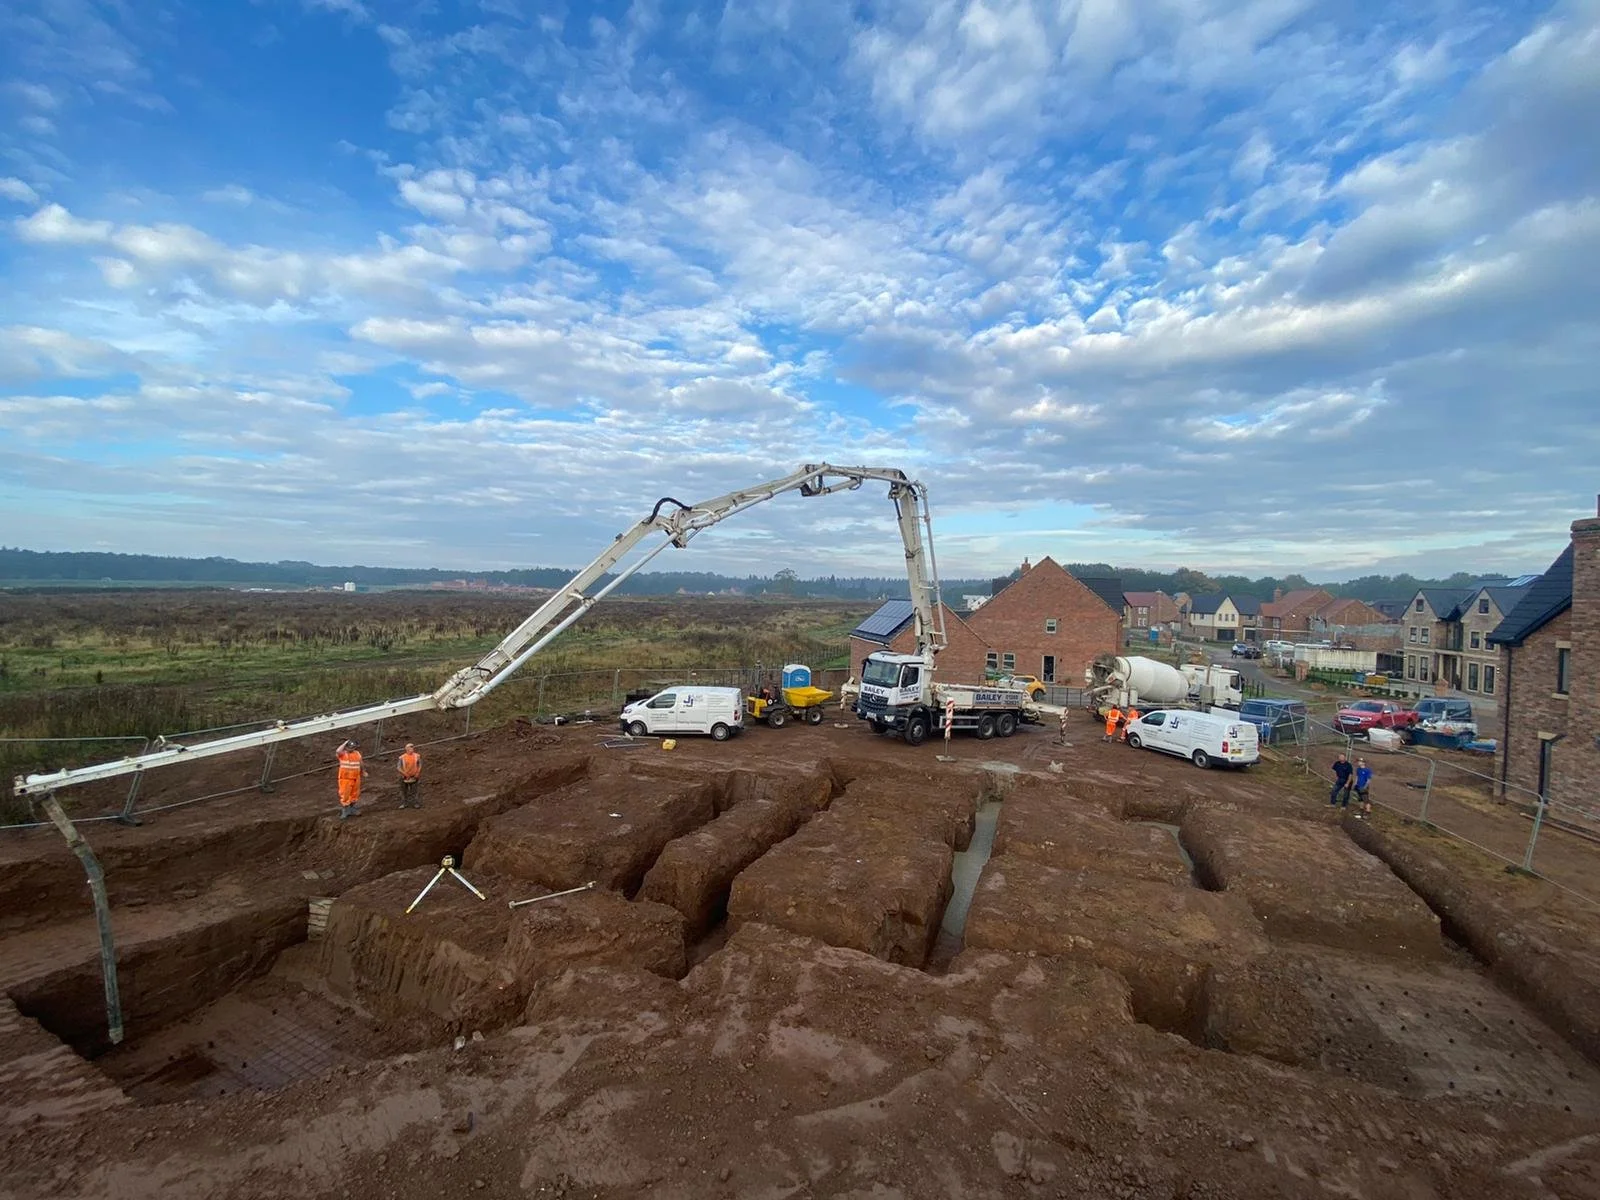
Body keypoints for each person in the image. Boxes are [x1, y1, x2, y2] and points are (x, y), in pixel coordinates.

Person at [336, 739, 367, 819]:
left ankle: (352, 808)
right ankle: (345, 810)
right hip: (345, 779)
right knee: (345, 795)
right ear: (346, 747)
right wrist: (345, 743)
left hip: (356, 777)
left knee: (355, 794)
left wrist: (363, 771)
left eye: (353, 747)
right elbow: (338, 751)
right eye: (350, 747)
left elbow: (361, 762)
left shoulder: (357, 754)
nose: (351, 749)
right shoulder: (343, 754)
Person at [396, 742, 422, 809]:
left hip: (414, 776)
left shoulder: (417, 756)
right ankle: (404, 803)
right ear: (407, 749)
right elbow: (399, 767)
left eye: (412, 748)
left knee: (414, 790)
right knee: (404, 791)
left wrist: (417, 773)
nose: (412, 749)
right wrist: (405, 774)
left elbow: (419, 765)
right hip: (404, 777)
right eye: (410, 748)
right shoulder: (402, 757)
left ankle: (415, 803)